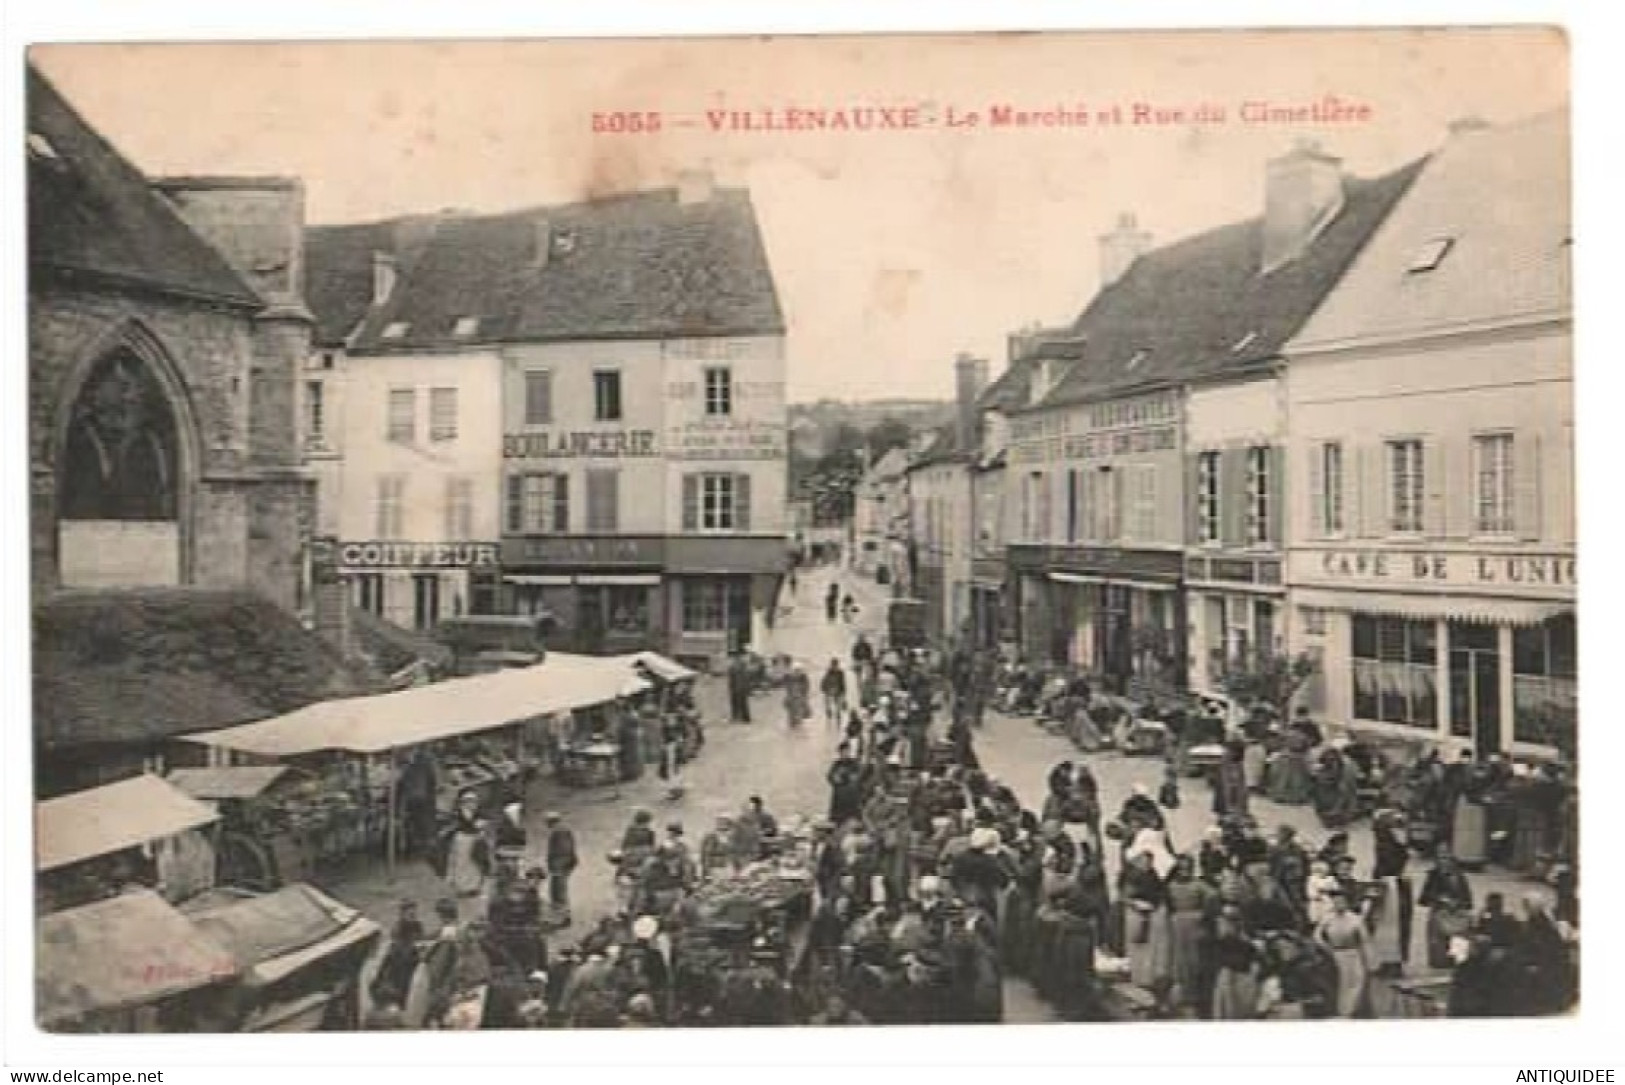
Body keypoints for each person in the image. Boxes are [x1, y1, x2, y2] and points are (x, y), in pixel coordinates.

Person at [1315, 888, 1372, 1018]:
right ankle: (1338, 1011)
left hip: (1353, 953)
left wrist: (1367, 958)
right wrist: (1326, 947)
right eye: (1336, 902)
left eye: (1342, 902)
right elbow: (1317, 935)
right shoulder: (1327, 918)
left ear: (1347, 903)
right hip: (1335, 953)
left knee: (1356, 981)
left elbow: (1365, 939)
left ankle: (1350, 1011)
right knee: (1339, 983)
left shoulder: (1356, 919)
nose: (1339, 904)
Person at [436, 790, 493, 916]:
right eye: (468, 802)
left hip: (475, 843)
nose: (471, 804)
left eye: (473, 802)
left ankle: (474, 889)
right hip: (462, 841)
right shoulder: (458, 816)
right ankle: (462, 890)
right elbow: (453, 829)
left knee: (475, 866)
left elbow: (485, 829)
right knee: (461, 864)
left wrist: (482, 831)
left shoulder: (480, 816)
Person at [1419, 847, 1475, 970]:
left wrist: (1459, 904)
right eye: (1441, 858)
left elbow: (1467, 898)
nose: (1444, 861)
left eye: (1447, 857)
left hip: (1457, 915)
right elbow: (1424, 898)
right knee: (1439, 954)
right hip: (1440, 913)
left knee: (1460, 945)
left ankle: (1458, 961)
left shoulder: (1459, 876)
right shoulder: (1433, 875)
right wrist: (1441, 899)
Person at [544, 812, 578, 927]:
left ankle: (562, 918)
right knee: (559, 891)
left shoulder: (557, 831)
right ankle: (562, 917)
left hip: (559, 866)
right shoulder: (565, 829)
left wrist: (556, 867)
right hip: (564, 864)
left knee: (558, 892)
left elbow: (561, 851)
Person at [820, 659, 849, 726]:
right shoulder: (828, 672)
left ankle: (837, 714)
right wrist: (824, 689)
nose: (835, 667)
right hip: (829, 690)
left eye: (835, 665)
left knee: (837, 704)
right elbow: (824, 681)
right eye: (834, 665)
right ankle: (829, 711)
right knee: (828, 702)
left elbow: (842, 682)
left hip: (838, 690)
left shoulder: (841, 673)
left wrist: (844, 693)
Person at [726, 650, 752, 723]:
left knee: (736, 703)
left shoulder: (735, 665)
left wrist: (732, 687)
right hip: (740, 686)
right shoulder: (742, 664)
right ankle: (745, 718)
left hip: (737, 687)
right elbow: (746, 677)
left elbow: (733, 678)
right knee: (742, 703)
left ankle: (736, 717)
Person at [785, 661, 812, 728]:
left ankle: (800, 718)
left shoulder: (803, 676)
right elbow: (787, 686)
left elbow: (807, 686)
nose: (797, 672)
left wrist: (804, 694)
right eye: (796, 670)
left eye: (798, 670)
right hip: (792, 695)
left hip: (801, 694)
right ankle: (792, 720)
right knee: (790, 707)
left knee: (802, 706)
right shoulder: (788, 676)